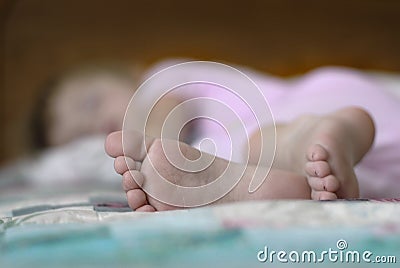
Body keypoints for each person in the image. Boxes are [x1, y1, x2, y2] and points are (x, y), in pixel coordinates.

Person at [105, 64, 400, 212]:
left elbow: (167, 108)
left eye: (90, 102)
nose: (99, 122)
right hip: (381, 164)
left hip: (316, 99)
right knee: (322, 175)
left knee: (260, 143)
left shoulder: (159, 76)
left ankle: (299, 142)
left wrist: (149, 145)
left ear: (130, 70)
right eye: (81, 131)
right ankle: (305, 153)